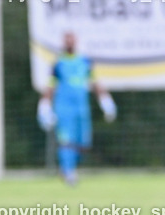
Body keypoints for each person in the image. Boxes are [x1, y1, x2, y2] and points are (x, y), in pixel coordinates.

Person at [37, 31, 116, 186]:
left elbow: (95, 83)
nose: (69, 43)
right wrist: (44, 106)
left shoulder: (85, 62)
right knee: (66, 141)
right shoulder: (58, 64)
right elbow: (50, 86)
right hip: (64, 108)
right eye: (66, 40)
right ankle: (69, 173)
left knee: (83, 144)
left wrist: (106, 101)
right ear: (63, 43)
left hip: (81, 108)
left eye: (71, 40)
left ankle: (67, 168)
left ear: (76, 41)